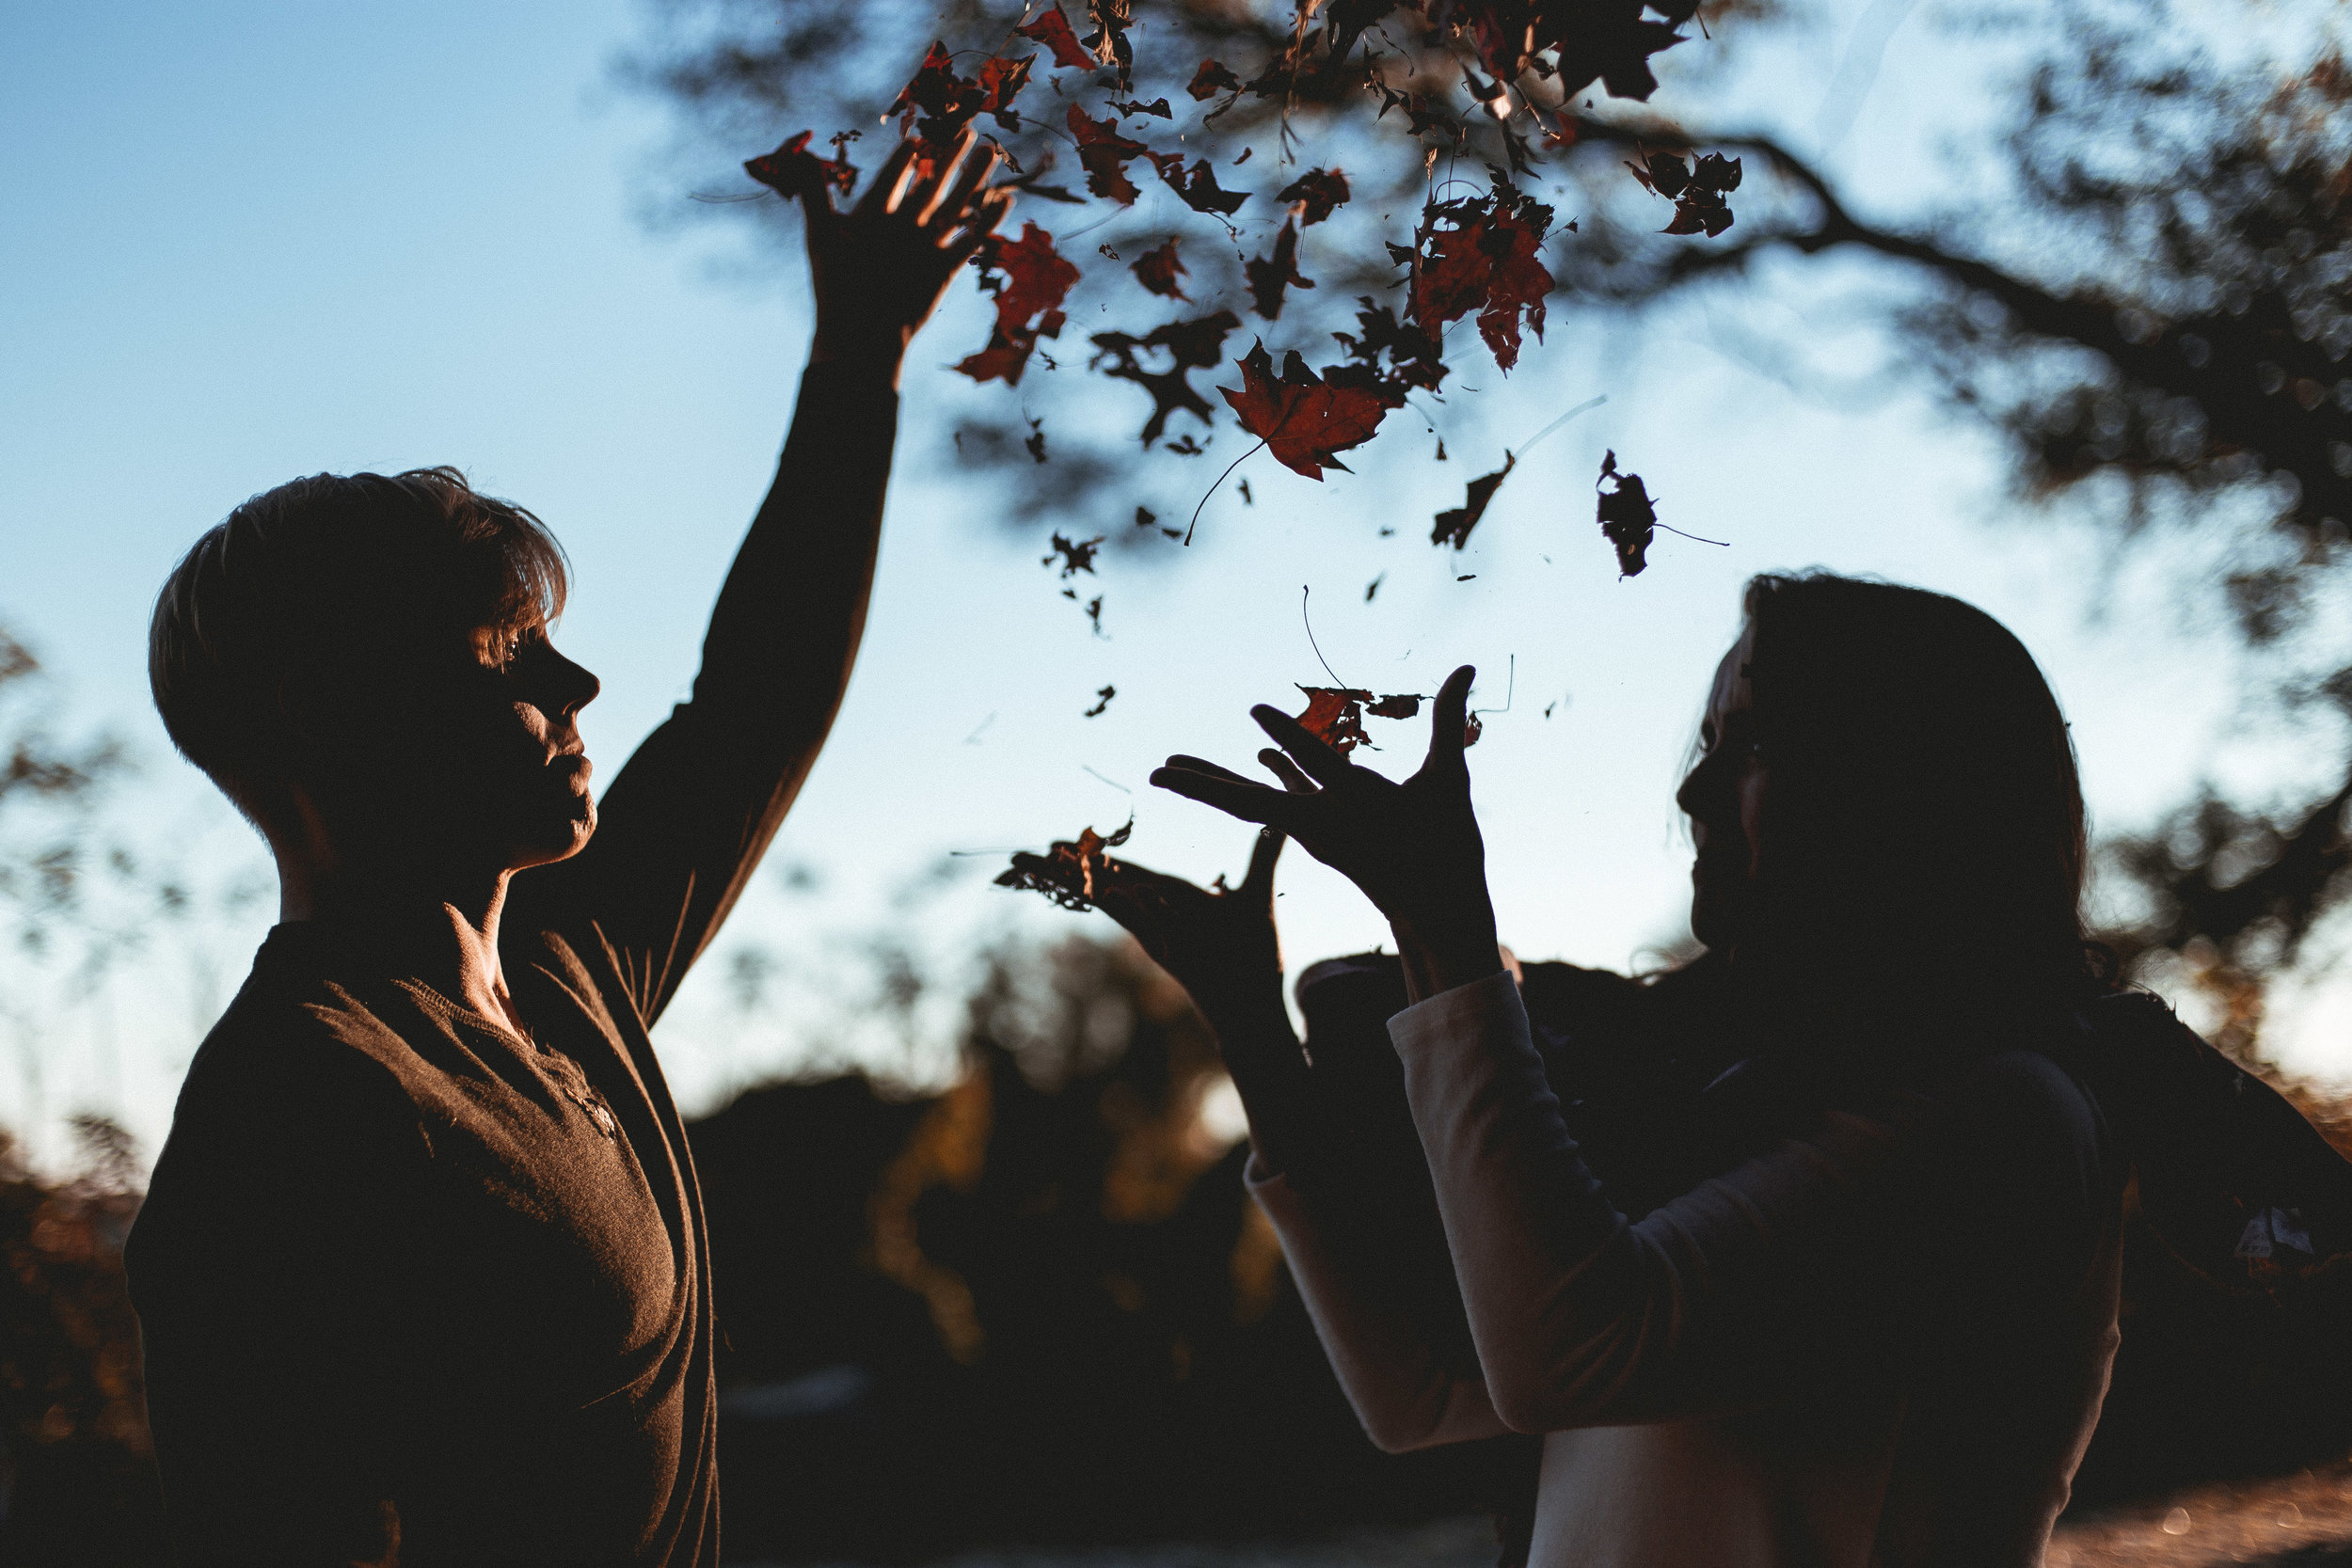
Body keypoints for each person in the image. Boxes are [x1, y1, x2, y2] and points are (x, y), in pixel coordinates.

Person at [125, 130, 1010, 1567]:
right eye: (507, 654)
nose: (579, 688)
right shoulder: (300, 1110)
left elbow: (756, 700)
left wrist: (858, 361)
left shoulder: (561, 967)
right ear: (334, 709)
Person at [1022, 573, 2135, 1566]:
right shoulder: (1742, 1099)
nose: (1694, 794)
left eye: (1749, 746)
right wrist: (1250, 1027)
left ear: (1892, 786)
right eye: (1703, 747)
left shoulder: (1998, 1118)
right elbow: (1420, 1393)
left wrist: (1445, 935)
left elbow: (1573, 1350)